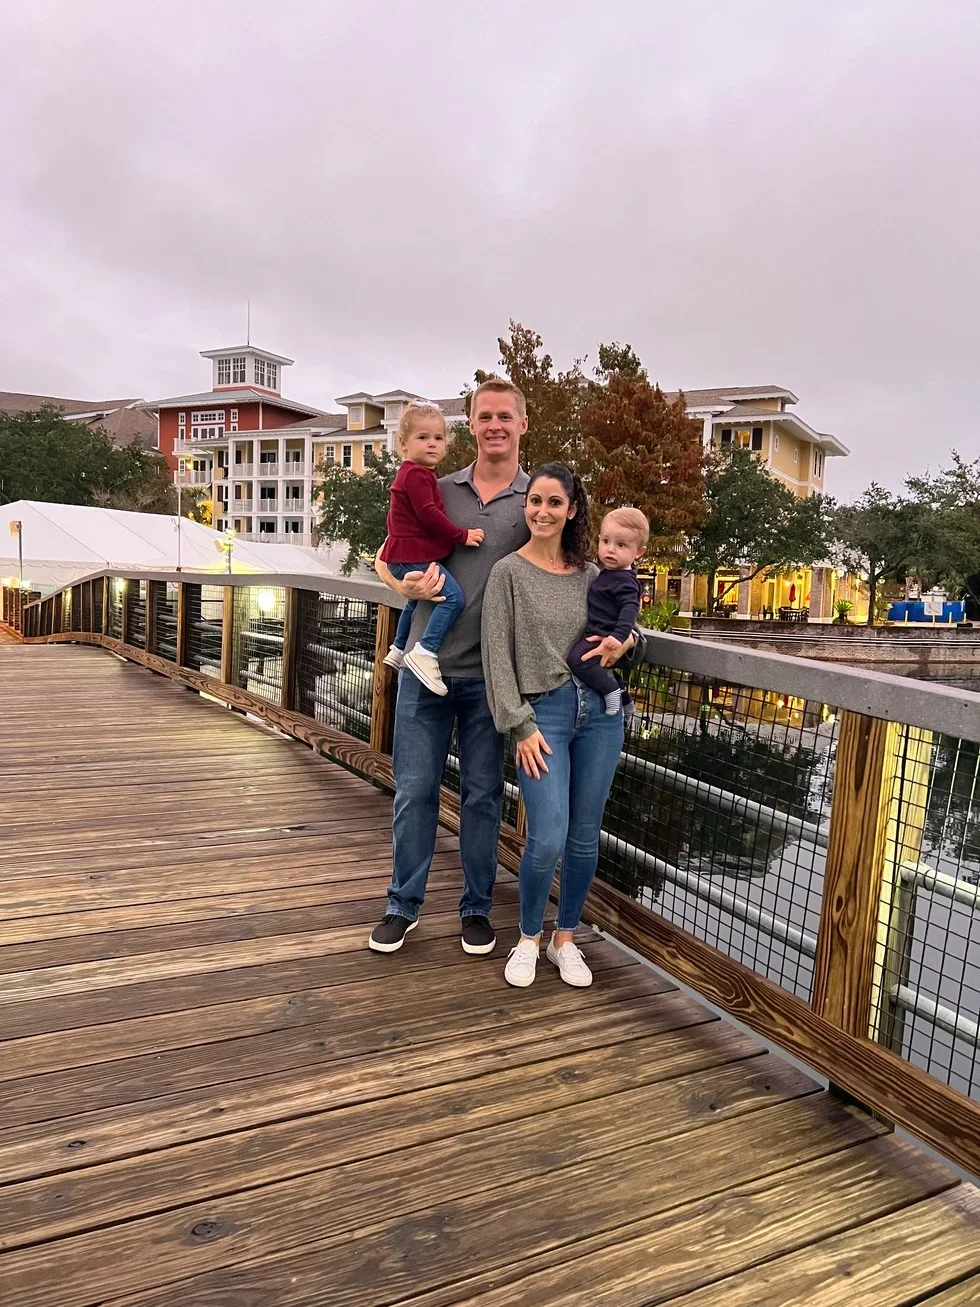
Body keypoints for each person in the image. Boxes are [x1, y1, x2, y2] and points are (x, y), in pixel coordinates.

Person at [368, 378, 531, 956]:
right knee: (414, 792)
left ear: (521, 425)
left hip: (491, 676)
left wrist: (622, 627)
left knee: (485, 795)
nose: (494, 425)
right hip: (422, 668)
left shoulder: (536, 501)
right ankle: (401, 905)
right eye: (484, 416)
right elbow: (384, 559)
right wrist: (400, 583)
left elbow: (567, 572)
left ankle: (476, 909)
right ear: (472, 424)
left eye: (504, 417)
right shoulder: (431, 485)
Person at [482, 463, 630, 989]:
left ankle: (565, 939)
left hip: (601, 716)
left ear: (572, 510)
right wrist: (518, 725)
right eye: (535, 501)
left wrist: (628, 642)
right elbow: (497, 657)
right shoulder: (508, 574)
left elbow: (633, 632)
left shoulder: (595, 575)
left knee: (585, 836)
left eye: (554, 503)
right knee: (547, 837)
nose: (542, 511)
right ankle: (527, 937)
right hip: (542, 716)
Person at [379, 400, 484, 696]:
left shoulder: (419, 474)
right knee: (452, 599)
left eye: (438, 438)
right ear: (403, 444)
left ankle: (399, 648)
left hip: (405, 555)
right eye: (422, 438)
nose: (432, 444)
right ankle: (424, 650)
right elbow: (429, 514)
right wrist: (461, 535)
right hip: (411, 556)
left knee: (416, 601)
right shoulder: (415, 475)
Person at [566, 507, 648, 716]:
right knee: (599, 666)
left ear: (638, 552)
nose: (610, 550)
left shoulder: (626, 581)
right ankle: (624, 697)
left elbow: (630, 611)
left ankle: (611, 691)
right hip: (597, 630)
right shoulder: (607, 573)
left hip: (605, 634)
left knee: (578, 660)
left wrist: (618, 637)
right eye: (606, 542)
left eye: (621, 545)